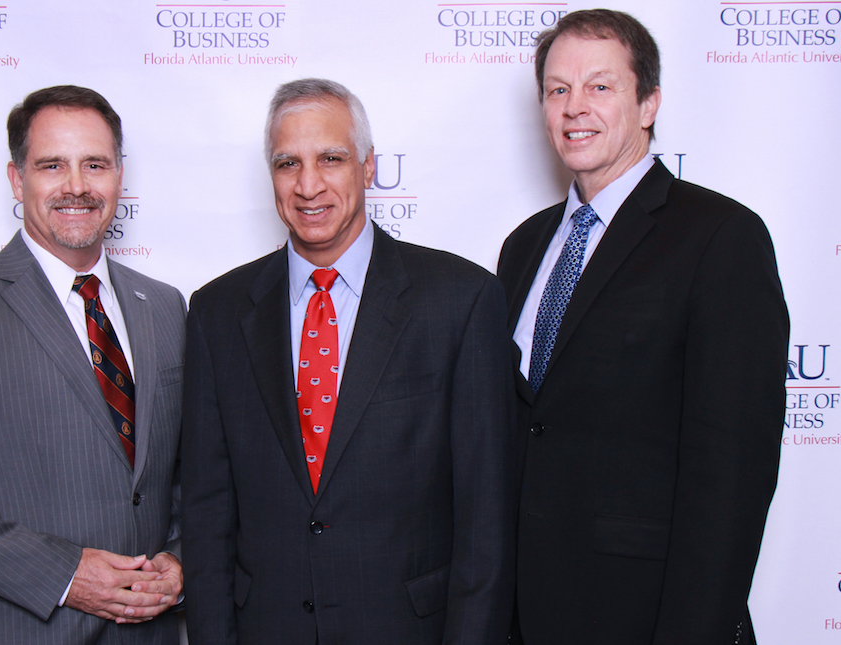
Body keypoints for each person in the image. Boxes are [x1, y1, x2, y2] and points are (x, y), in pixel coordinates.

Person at [181, 78, 515, 644]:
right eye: (288, 163)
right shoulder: (217, 312)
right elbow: (207, 513)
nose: (308, 185)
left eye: (330, 159)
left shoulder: (460, 300)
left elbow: (486, 521)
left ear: (368, 166)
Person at [497, 9, 789, 645]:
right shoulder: (522, 247)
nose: (575, 106)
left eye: (600, 86)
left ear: (649, 103)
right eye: (557, 89)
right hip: (528, 615)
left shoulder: (721, 238)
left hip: (648, 616)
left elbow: (733, 473)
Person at [0, 85, 186, 645]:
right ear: (16, 179)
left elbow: (189, 471)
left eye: (94, 164)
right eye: (52, 165)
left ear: (119, 177)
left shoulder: (165, 307)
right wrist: (66, 575)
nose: (76, 185)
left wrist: (180, 556)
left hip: (150, 631)